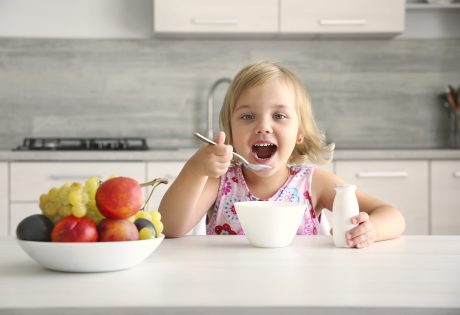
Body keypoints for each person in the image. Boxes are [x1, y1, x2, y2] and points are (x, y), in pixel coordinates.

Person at [159, 61, 405, 248]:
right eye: (247, 116)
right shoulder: (219, 181)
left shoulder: (314, 182)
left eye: (279, 116)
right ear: (230, 132)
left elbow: (392, 215)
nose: (263, 126)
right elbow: (169, 227)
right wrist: (195, 170)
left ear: (299, 133)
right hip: (231, 290)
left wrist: (371, 230)